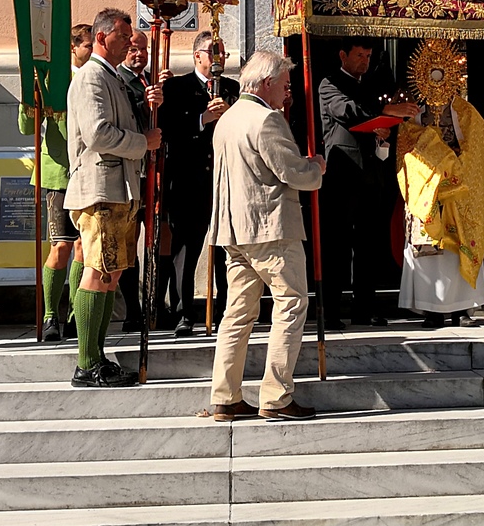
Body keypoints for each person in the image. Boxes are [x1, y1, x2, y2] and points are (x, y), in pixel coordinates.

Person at [207, 49, 325, 422]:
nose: (288, 93)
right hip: (270, 227)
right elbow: (292, 172)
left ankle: (225, 395)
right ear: (267, 82)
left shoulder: (227, 118)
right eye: (285, 85)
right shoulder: (266, 119)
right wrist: (316, 168)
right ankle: (276, 395)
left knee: (237, 313)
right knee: (290, 304)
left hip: (233, 229)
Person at [64, 8, 161, 388]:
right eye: (122, 37)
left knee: (112, 272)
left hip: (120, 188)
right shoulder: (91, 77)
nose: (128, 44)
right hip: (100, 187)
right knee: (99, 270)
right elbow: (97, 133)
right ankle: (86, 363)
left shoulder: (113, 77)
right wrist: (142, 143)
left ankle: (98, 356)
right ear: (102, 37)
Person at [318, 37, 418, 328]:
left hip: (372, 175)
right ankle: (331, 310)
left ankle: (364, 308)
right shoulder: (329, 84)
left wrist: (383, 129)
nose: (364, 61)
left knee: (369, 245)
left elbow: (376, 119)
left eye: (368, 56)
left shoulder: (372, 85)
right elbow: (347, 111)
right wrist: (382, 114)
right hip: (342, 176)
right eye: (359, 55)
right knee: (337, 245)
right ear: (343, 55)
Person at [396, 92, 484, 327]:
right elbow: (406, 150)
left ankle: (462, 309)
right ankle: (431, 310)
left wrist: (456, 166)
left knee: (458, 249)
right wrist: (433, 160)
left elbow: (479, 148)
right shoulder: (414, 115)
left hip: (459, 190)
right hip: (427, 188)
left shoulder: (465, 113)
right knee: (429, 253)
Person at [159, 30, 240, 337]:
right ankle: (183, 312)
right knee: (186, 248)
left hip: (223, 179)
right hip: (188, 180)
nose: (219, 60)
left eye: (223, 54)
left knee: (224, 248)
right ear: (197, 56)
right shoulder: (177, 87)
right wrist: (201, 120)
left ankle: (225, 309)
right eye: (213, 53)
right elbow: (168, 129)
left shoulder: (231, 88)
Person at [19, 23, 92, 342]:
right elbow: (26, 127)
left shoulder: (98, 78)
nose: (92, 51)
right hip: (60, 171)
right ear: (73, 47)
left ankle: (76, 312)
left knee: (84, 247)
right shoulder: (53, 80)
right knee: (61, 245)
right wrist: (30, 96)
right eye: (87, 45)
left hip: (89, 171)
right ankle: (51, 315)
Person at [116, 27, 160, 332]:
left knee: (155, 240)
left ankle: (154, 304)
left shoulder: (150, 79)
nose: (139, 54)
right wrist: (146, 103)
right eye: (133, 48)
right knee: (129, 244)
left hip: (153, 172)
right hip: (132, 171)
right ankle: (133, 310)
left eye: (143, 49)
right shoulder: (119, 81)